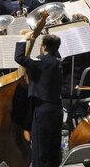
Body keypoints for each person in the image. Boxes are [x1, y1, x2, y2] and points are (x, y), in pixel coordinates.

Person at [15, 32, 63, 167]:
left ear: (45, 46)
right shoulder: (58, 61)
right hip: (57, 109)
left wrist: (24, 39)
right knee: (53, 149)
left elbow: (19, 57)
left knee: (40, 151)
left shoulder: (41, 61)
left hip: (43, 110)